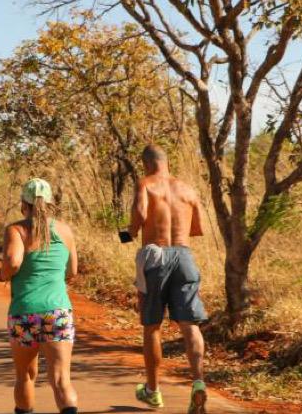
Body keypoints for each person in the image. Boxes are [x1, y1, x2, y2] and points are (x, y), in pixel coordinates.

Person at [125, 144, 209, 413]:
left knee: (152, 325)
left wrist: (131, 232)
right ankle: (198, 382)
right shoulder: (188, 189)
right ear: (166, 162)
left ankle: (153, 391)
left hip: (156, 255)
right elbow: (199, 228)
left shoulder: (145, 183)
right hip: (184, 256)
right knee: (189, 324)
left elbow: (140, 214)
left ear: (146, 164)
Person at [0, 178, 80, 414]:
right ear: (50, 203)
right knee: (61, 379)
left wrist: (1, 275)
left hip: (24, 312)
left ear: (24, 204)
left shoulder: (16, 230)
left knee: (25, 376)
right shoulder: (65, 230)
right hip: (58, 312)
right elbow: (72, 271)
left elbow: (13, 262)